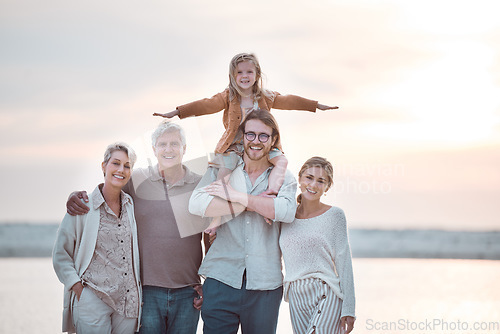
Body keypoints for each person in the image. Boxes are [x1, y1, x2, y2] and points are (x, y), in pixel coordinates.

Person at [154, 52, 337, 234]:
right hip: (234, 146)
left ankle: (270, 194)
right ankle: (217, 217)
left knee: (281, 161)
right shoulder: (228, 97)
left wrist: (315, 105)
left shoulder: (266, 97)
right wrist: (177, 112)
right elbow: (205, 105)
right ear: (233, 76)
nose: (244, 76)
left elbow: (289, 100)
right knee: (223, 175)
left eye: (249, 72)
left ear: (257, 74)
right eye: (239, 73)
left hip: (262, 146)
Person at [66, 121, 211, 334]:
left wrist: (207, 282)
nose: (168, 149)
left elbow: (211, 236)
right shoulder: (137, 180)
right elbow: (108, 189)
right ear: (153, 149)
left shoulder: (200, 184)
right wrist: (76, 196)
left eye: (174, 144)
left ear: (185, 148)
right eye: (162, 144)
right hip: (146, 292)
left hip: (188, 292)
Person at [189, 109, 297, 334]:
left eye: (263, 136)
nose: (256, 141)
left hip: (265, 286)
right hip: (220, 280)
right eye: (250, 134)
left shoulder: (284, 178)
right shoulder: (223, 170)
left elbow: (285, 211)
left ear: (273, 139)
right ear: (242, 136)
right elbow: (196, 203)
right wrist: (253, 204)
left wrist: (236, 197)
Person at [53, 142, 141, 334]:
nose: (121, 169)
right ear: (104, 166)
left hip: (127, 304)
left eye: (127, 166)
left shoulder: (130, 205)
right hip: (93, 298)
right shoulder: (83, 206)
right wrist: (78, 289)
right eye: (115, 163)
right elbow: (61, 254)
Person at [279, 157, 356, 334]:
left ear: (327, 187)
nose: (313, 184)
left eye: (321, 181)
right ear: (299, 179)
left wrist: (349, 308)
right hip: (296, 296)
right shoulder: (285, 214)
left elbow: (344, 262)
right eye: (309, 177)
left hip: (325, 290)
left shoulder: (335, 215)